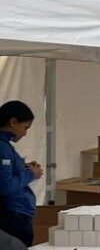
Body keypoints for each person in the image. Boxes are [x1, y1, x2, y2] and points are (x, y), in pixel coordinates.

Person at [0, 101, 41, 246]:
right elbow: (4, 185)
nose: (25, 133)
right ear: (13, 122)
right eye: (25, 128)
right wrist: (31, 174)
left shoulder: (6, 146)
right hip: (13, 216)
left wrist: (23, 167)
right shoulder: (2, 148)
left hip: (17, 215)